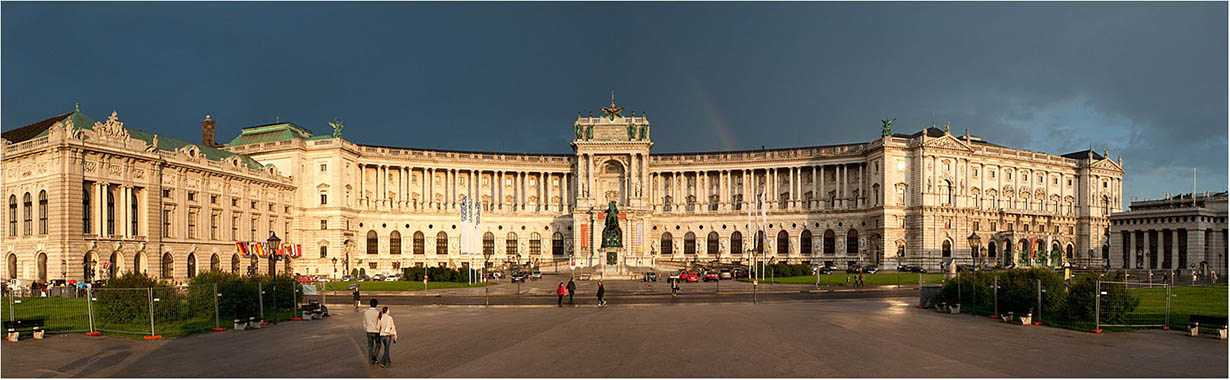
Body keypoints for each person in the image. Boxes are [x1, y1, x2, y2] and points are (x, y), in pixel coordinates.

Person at [363, 299, 382, 366]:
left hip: (369, 331)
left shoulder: (366, 312)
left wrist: (366, 328)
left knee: (370, 346)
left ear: (370, 304)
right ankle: (374, 356)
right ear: (376, 305)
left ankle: (371, 360)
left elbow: (364, 322)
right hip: (376, 331)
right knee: (378, 344)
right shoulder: (378, 313)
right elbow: (380, 323)